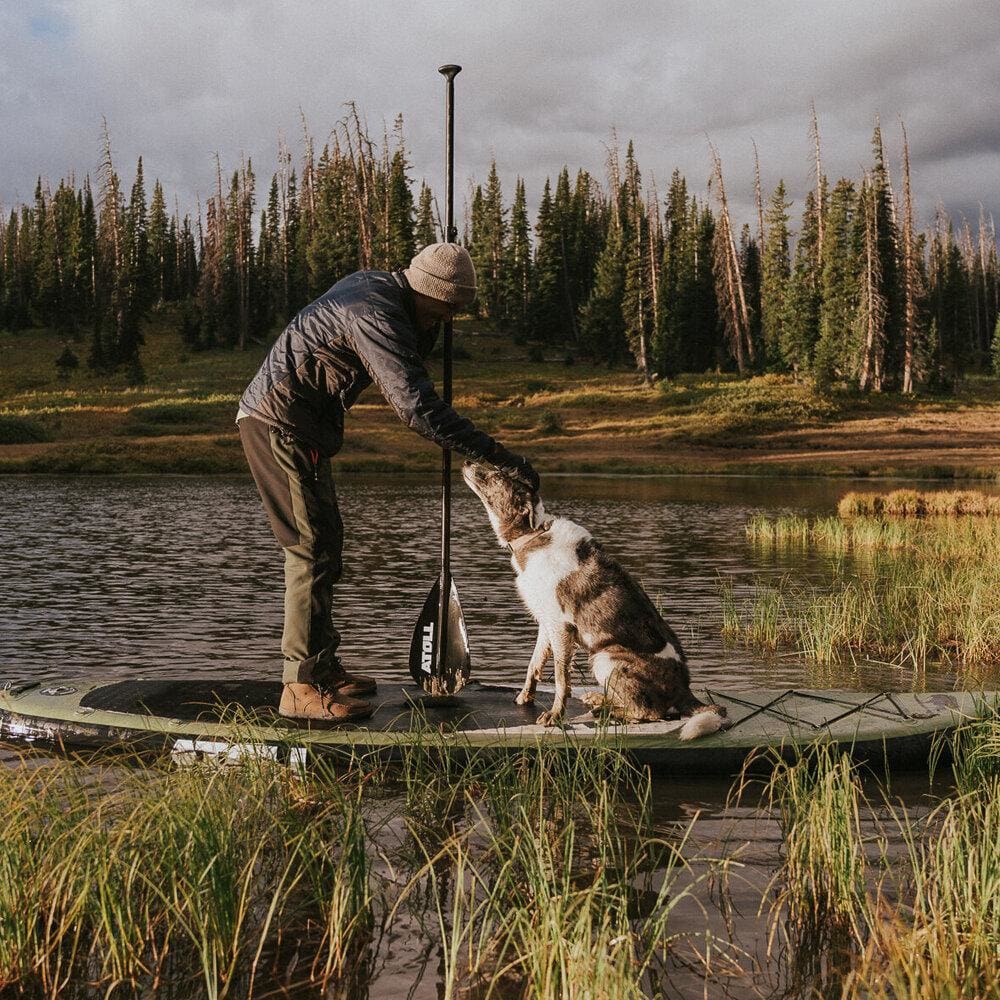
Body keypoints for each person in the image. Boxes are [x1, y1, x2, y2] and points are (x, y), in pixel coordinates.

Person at [237, 243, 538, 722]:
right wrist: (494, 454)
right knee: (309, 550)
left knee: (327, 544)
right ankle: (299, 686)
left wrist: (429, 330)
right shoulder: (375, 310)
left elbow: (411, 364)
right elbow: (414, 406)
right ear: (429, 291)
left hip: (302, 427)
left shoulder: (389, 296)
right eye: (447, 309)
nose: (449, 319)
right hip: (278, 424)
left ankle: (323, 668)